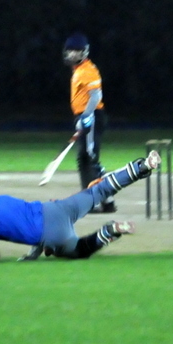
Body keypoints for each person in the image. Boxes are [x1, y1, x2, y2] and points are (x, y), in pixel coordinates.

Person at [0, 149, 162, 264]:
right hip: (56, 209)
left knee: (79, 250)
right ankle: (142, 166)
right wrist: (34, 254)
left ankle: (111, 231)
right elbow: (24, 221)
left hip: (51, 234)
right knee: (101, 190)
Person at [63, 32, 115, 213]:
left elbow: (96, 96)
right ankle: (96, 201)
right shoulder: (78, 71)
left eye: (75, 51)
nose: (71, 55)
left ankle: (106, 201)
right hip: (86, 116)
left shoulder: (88, 70)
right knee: (84, 159)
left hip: (93, 116)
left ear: (84, 52)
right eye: (70, 51)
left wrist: (85, 117)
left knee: (90, 159)